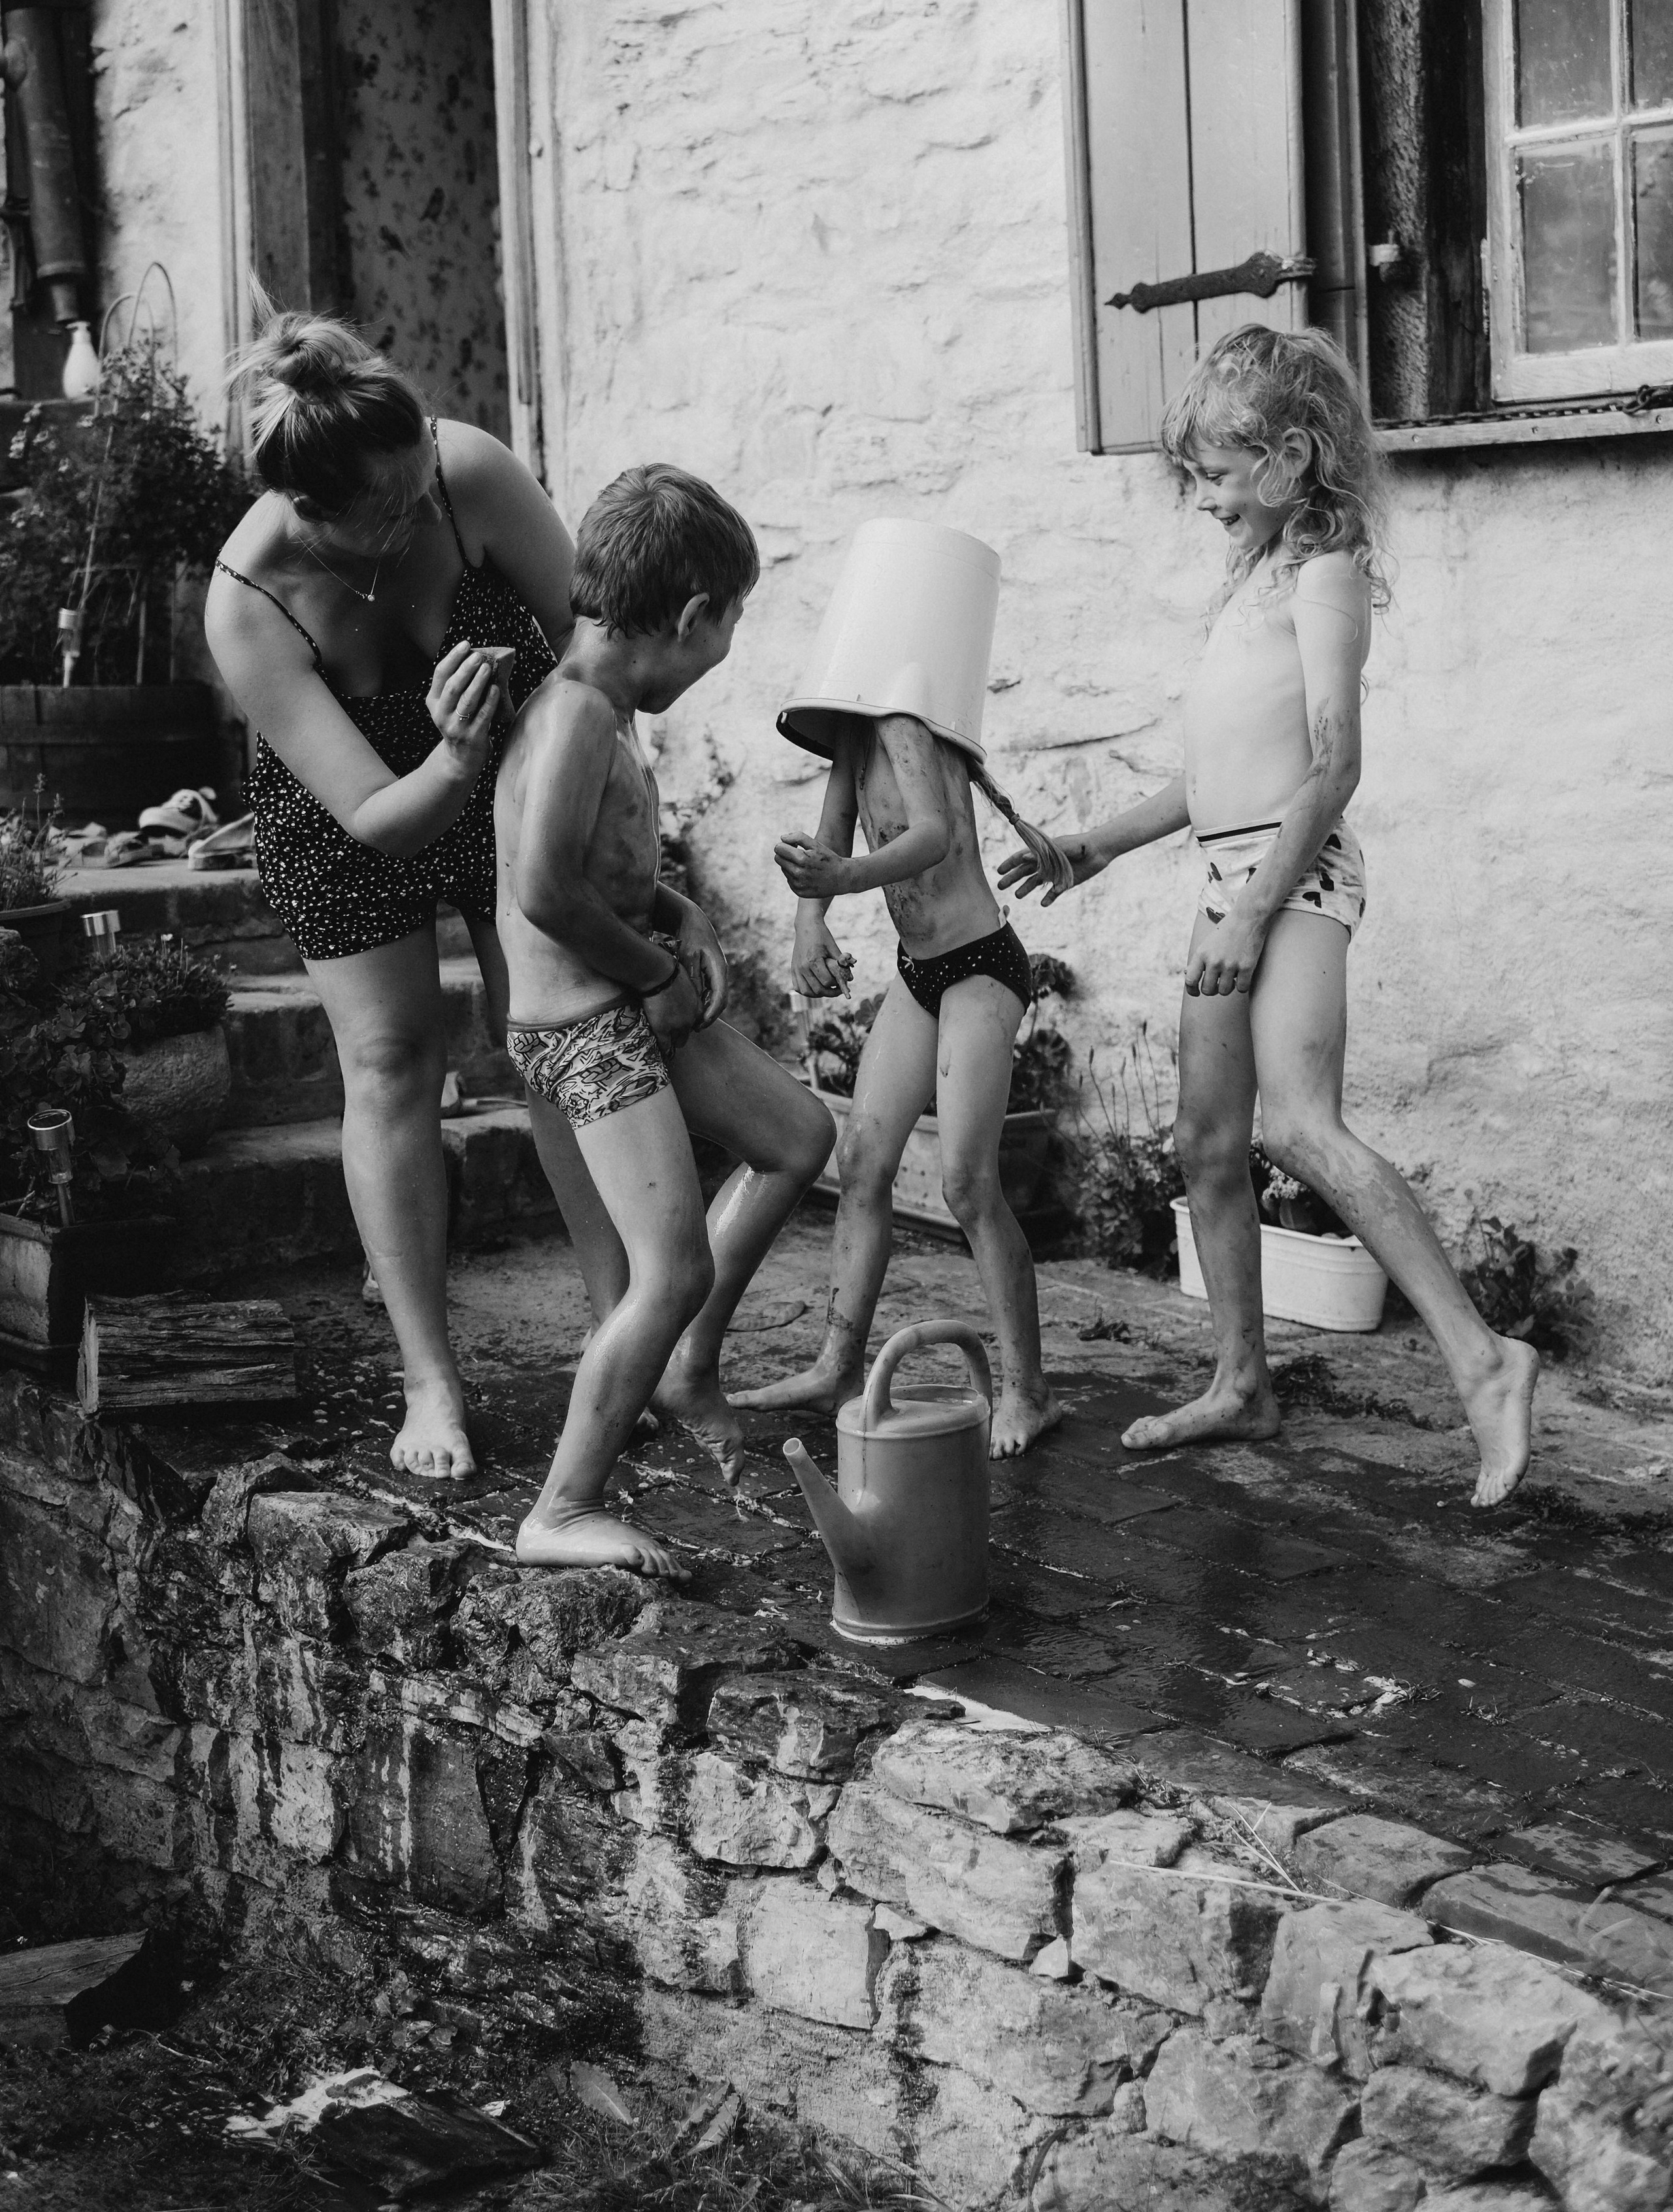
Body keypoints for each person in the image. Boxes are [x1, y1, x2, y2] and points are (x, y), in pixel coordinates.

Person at [999, 324, 1538, 1508]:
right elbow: (1214, 780)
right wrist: (1091, 848)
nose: (1201, 500)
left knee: (1296, 1125)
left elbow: (1333, 767)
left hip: (1285, 881)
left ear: (1294, 460)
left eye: (1218, 475)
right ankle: (1243, 1381)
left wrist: (1252, 911)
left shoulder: (1325, 574)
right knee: (1204, 1142)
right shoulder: (1249, 580)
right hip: (1229, 878)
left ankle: (1486, 1362)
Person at [206, 307, 720, 1486]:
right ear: (310, 512)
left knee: (550, 1033)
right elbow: (380, 818)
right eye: (386, 513)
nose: (412, 521)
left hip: (512, 784)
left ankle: (615, 1325)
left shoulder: (464, 468)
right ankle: (429, 1373)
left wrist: (640, 867)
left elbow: (598, 653)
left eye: (418, 492)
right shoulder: (250, 605)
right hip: (360, 815)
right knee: (393, 1062)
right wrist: (447, 755)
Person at [495, 463, 835, 1578]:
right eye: (729, 625)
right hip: (588, 1031)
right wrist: (651, 972)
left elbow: (603, 862)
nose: (726, 647)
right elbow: (544, 886)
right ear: (692, 617)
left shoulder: (607, 705)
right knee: (670, 1268)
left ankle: (686, 1371)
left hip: (628, 1010)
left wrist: (678, 910)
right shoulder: (578, 716)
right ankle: (563, 1506)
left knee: (796, 1139)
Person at [729, 712, 1065, 1457]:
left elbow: (933, 834)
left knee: (968, 1185)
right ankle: (836, 1368)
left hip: (980, 962)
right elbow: (832, 833)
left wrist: (842, 880)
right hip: (920, 973)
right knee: (862, 1163)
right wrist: (808, 922)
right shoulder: (852, 732)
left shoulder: (907, 719)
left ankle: (1028, 1391)